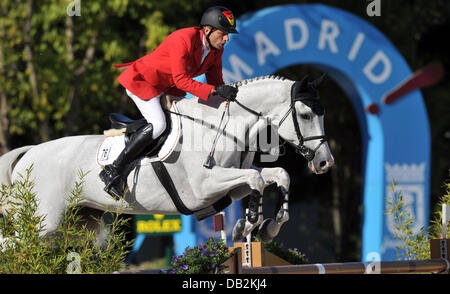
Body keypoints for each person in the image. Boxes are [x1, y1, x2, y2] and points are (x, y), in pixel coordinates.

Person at [99, 6, 240, 199]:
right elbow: (182, 79)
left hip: (167, 87)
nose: (226, 39)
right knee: (159, 124)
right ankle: (113, 169)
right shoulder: (183, 39)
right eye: (223, 34)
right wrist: (214, 91)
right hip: (143, 82)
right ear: (207, 30)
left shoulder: (216, 50)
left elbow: (216, 82)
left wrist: (227, 99)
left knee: (188, 120)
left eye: (228, 35)